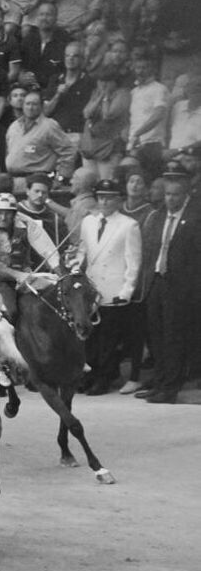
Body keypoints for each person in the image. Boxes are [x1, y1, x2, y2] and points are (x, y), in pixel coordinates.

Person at [138, 168, 201, 404]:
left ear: (185, 195)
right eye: (167, 194)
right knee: (156, 336)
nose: (170, 199)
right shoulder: (158, 216)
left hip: (181, 287)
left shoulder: (195, 218)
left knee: (173, 337)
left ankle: (170, 388)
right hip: (157, 282)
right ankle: (160, 381)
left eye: (175, 195)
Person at [78, 178, 142, 395]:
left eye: (110, 198)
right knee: (91, 336)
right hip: (92, 288)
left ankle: (104, 377)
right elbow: (83, 252)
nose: (104, 202)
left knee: (108, 338)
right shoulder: (88, 222)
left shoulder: (128, 225)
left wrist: (126, 291)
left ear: (118, 200)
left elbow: (134, 262)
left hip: (113, 290)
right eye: (101, 197)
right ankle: (90, 375)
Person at [0, 193, 60, 322]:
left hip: (21, 274)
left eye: (8, 213)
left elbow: (45, 246)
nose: (3, 218)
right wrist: (18, 275)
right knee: (10, 310)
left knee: (52, 293)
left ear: (15, 214)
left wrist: (59, 269)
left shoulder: (26, 222)